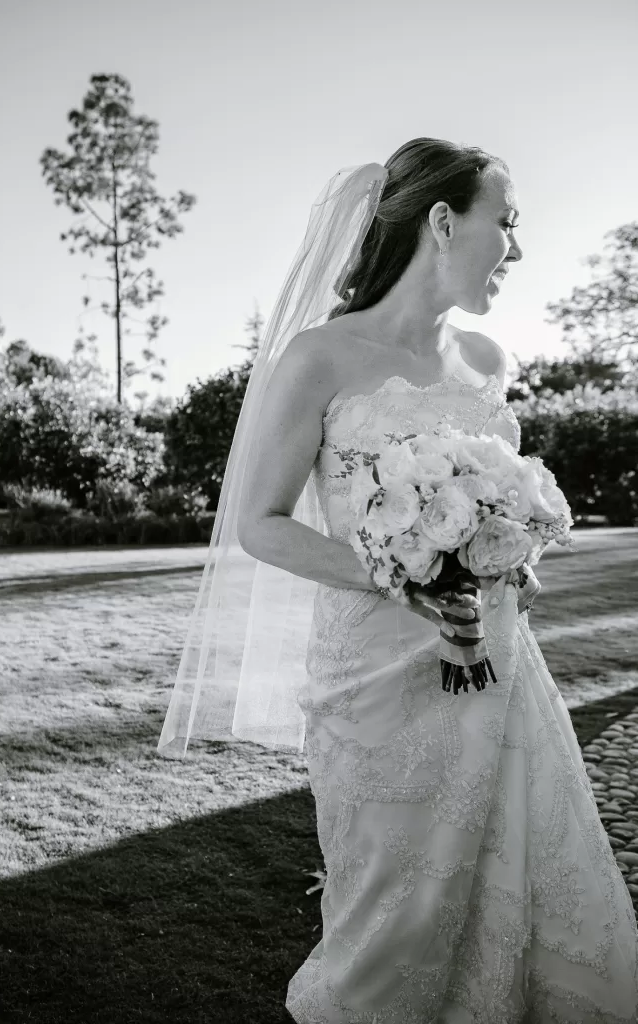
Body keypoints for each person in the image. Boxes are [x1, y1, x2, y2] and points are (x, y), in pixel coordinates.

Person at [235, 141, 638, 1021]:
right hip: (375, 681)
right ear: (444, 221)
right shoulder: (318, 358)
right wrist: (395, 573)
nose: (518, 250)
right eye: (509, 223)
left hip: (500, 670)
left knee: (527, 879)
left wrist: (512, 553)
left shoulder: (488, 361)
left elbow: (503, 515)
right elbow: (258, 524)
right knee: (393, 911)